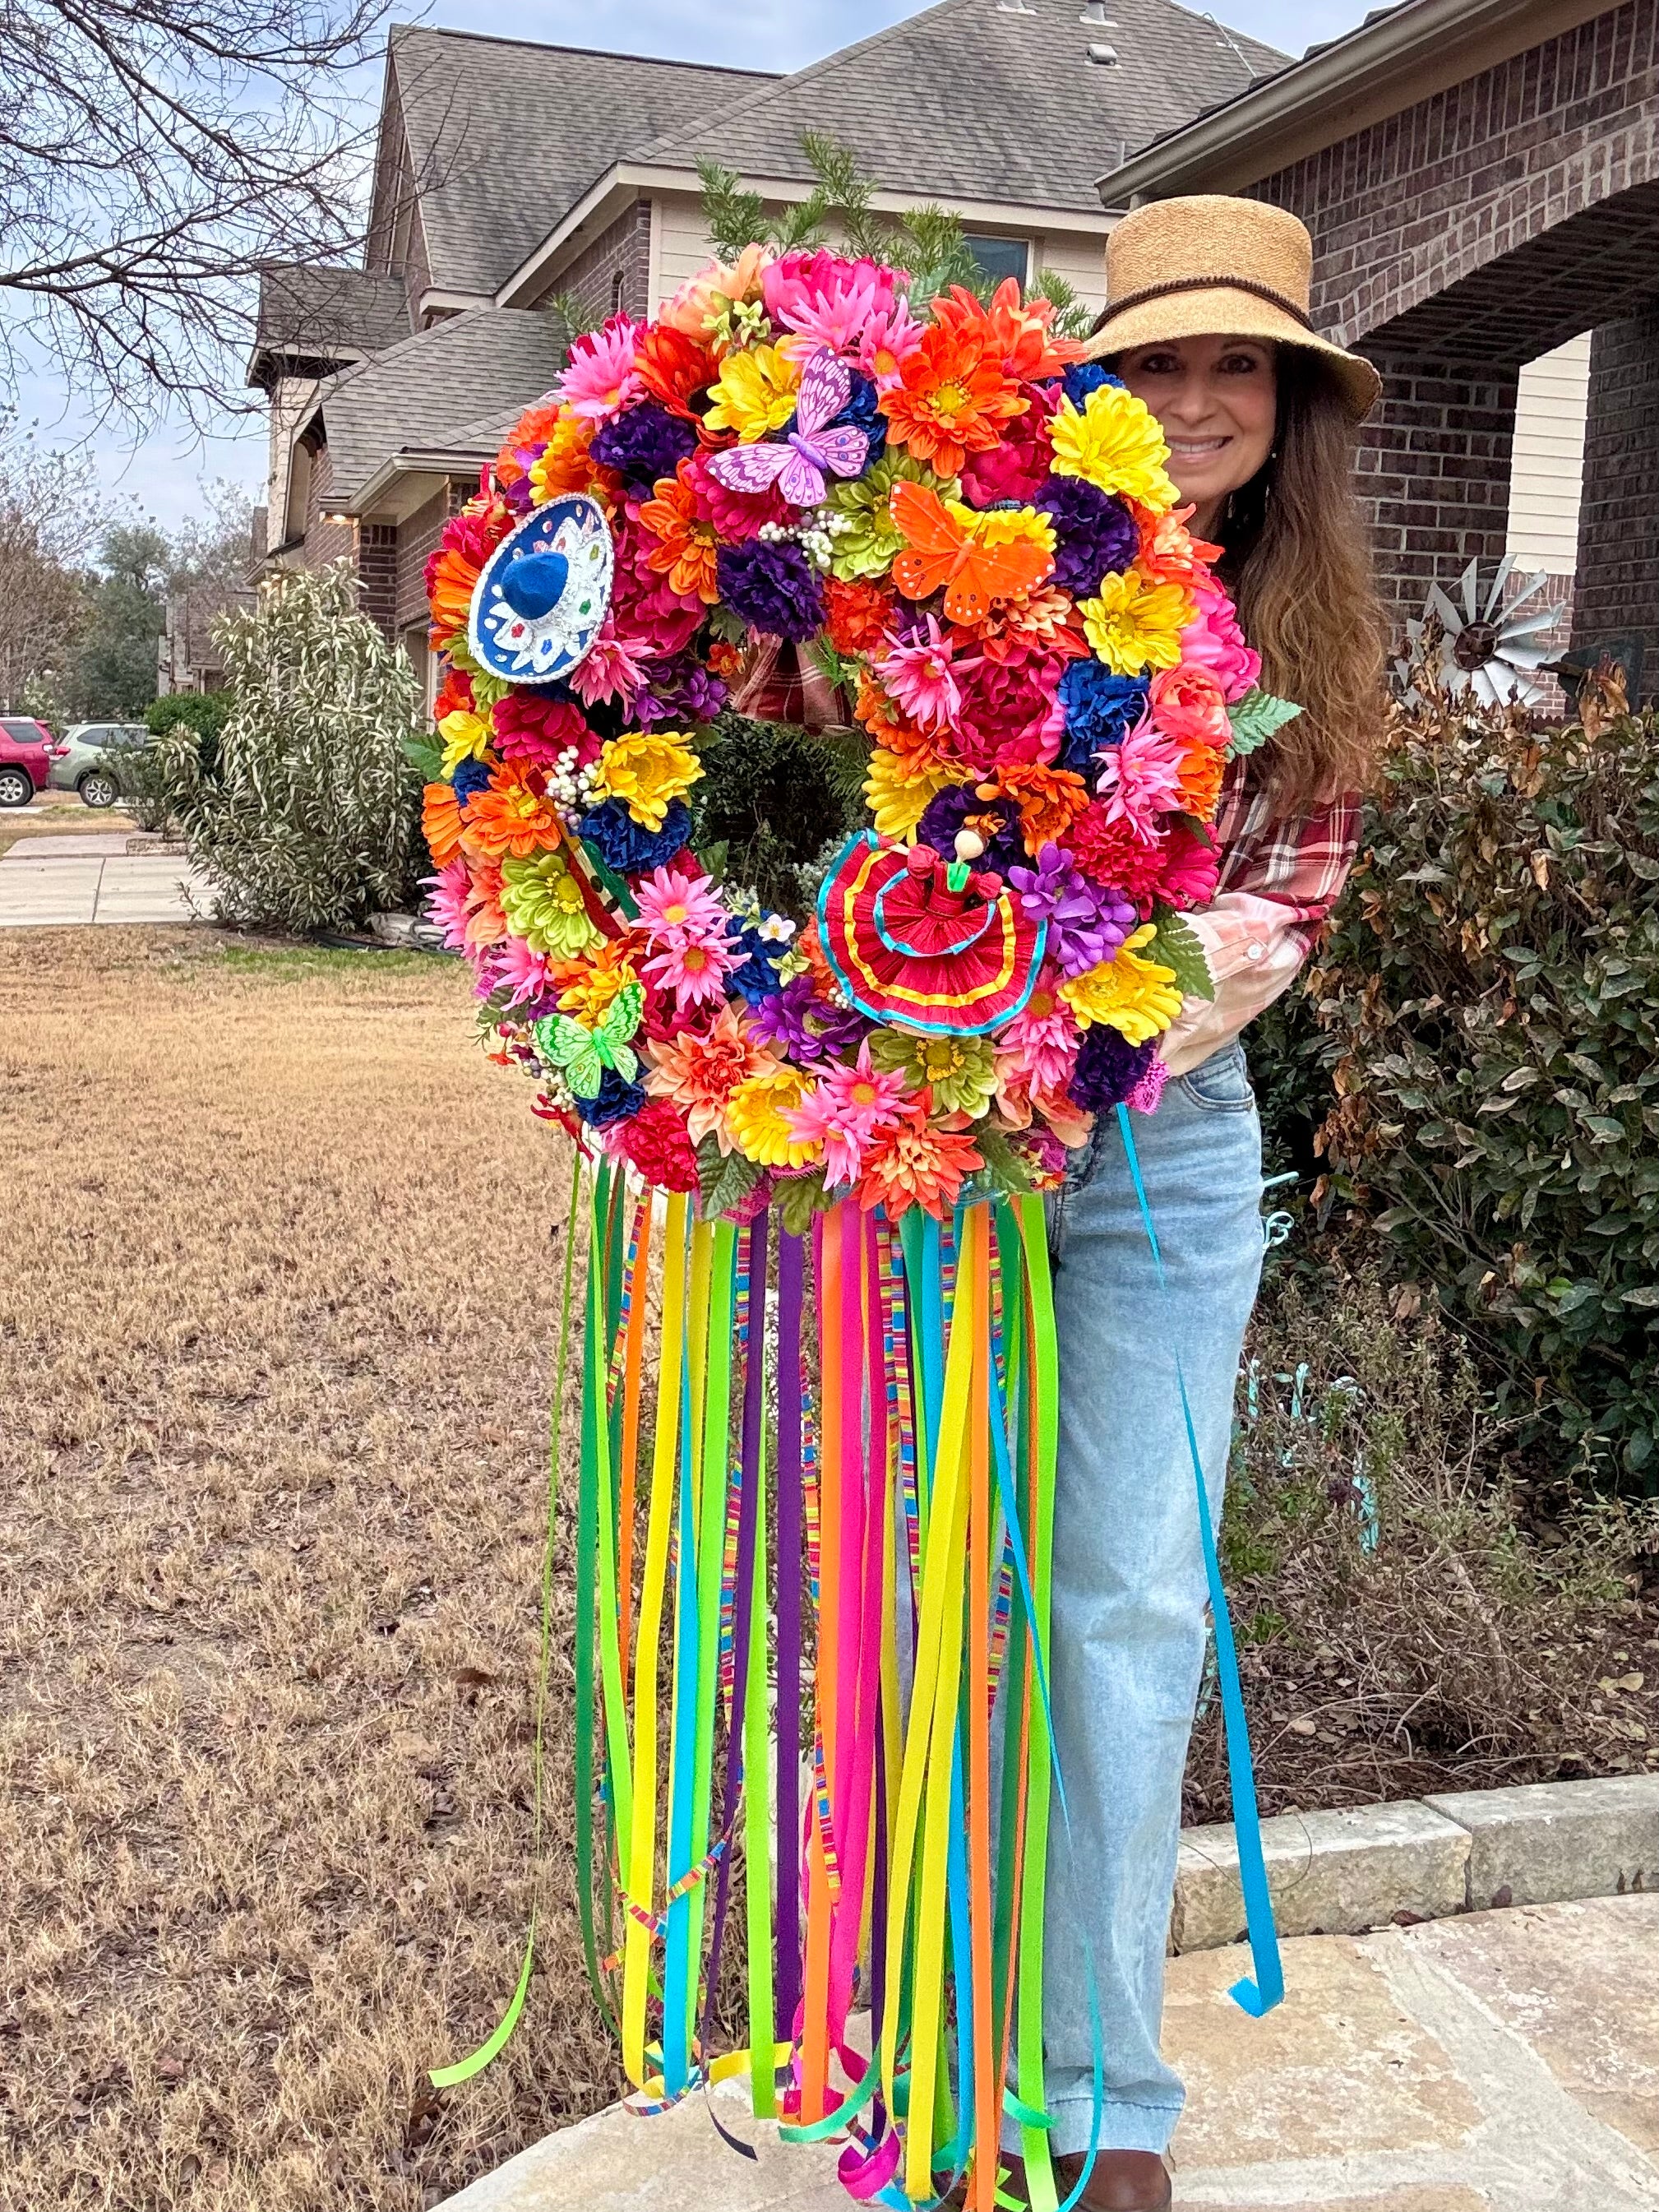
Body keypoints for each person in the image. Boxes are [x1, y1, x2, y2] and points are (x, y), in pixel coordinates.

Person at [1033, 196, 1387, 2209]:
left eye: (1233, 363)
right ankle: (911, 2023)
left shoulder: (1312, 638)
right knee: (920, 1599)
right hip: (921, 1148)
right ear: (1095, 389)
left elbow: (1270, 922)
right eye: (1155, 360)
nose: (1193, 398)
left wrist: (1031, 1052)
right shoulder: (978, 590)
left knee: (1128, 1602)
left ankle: (1105, 2098)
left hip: (1156, 1148)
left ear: (1286, 403)